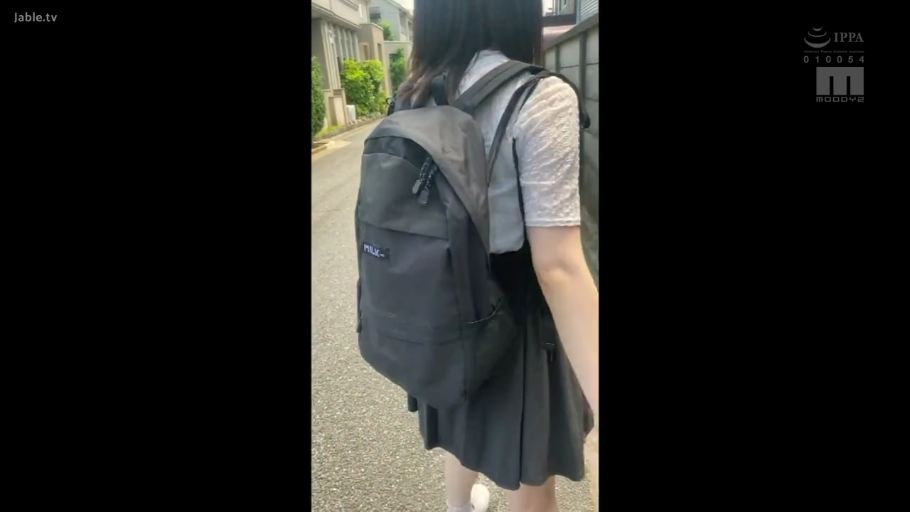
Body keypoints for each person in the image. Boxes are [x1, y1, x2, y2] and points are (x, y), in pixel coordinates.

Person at [395, 1, 600, 511]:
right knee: (531, 473)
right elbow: (557, 266)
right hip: (515, 319)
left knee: (462, 417)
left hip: (440, 307)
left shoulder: (417, 90)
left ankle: (460, 506)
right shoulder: (538, 95)